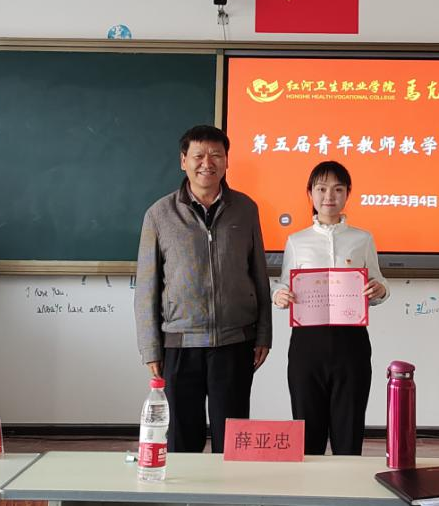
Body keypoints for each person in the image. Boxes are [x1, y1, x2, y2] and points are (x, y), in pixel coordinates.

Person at [133, 124, 271, 453]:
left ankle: (230, 487)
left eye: (216, 155)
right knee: (182, 441)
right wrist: (151, 348)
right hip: (179, 345)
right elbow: (147, 286)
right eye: (198, 155)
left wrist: (264, 334)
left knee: (232, 440)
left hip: (235, 342)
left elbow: (259, 275)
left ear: (227, 161)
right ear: (183, 161)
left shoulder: (246, 209)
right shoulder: (159, 214)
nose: (207, 163)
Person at [273, 161, 388, 455]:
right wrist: (279, 295)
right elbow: (283, 283)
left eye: (338, 189)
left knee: (348, 432)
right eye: (321, 189)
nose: (329, 196)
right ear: (310, 193)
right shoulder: (296, 241)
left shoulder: (362, 239)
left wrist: (379, 289)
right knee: (307, 434)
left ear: (347, 193)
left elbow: (379, 283)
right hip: (307, 347)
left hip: (351, 345)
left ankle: (347, 484)